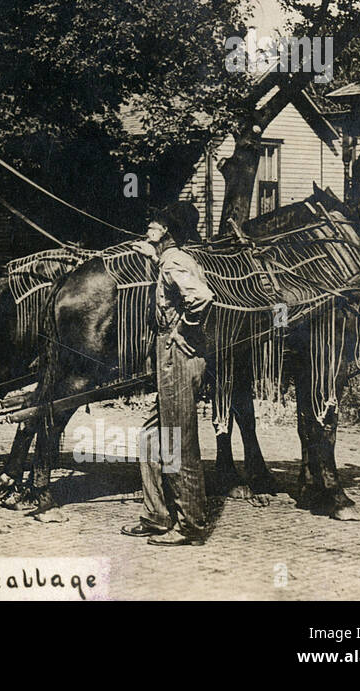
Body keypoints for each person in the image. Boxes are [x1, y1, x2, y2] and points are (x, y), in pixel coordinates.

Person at [122, 201, 212, 546]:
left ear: (168, 233)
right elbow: (168, 270)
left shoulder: (174, 260)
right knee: (151, 436)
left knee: (177, 440)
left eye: (155, 225)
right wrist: (151, 253)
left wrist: (182, 330)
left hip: (178, 354)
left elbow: (201, 297)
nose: (149, 228)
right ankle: (157, 515)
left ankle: (191, 525)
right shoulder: (170, 258)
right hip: (168, 355)